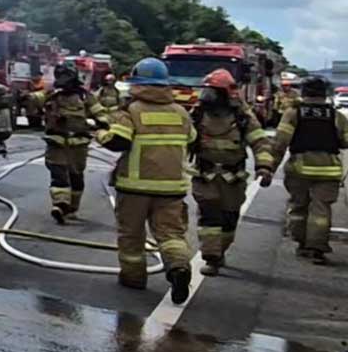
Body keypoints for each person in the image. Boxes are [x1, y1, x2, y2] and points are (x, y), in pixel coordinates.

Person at [96, 57, 195, 303]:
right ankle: (179, 267)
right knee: (171, 234)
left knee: (132, 235)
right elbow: (193, 139)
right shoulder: (181, 112)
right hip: (172, 188)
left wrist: (99, 133)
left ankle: (133, 278)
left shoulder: (131, 110)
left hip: (134, 187)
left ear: (136, 82)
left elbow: (117, 141)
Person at [190, 69, 274, 276]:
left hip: (232, 179)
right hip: (205, 176)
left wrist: (264, 166)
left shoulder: (243, 117)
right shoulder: (198, 113)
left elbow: (260, 142)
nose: (207, 96)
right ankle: (211, 257)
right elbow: (182, 139)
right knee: (209, 218)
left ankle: (220, 251)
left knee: (229, 220)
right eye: (206, 91)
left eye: (213, 92)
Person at [270, 75, 348, 265]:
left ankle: (302, 243)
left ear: (304, 92)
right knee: (321, 210)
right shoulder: (336, 116)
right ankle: (317, 247)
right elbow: (346, 141)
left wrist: (269, 167)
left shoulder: (293, 113)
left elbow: (280, 142)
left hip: (299, 169)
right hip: (329, 170)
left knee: (299, 207)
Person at [24, 61, 110, 223]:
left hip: (78, 144)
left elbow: (100, 113)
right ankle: (60, 204)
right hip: (56, 142)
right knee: (58, 175)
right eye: (60, 76)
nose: (63, 79)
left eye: (66, 76)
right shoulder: (51, 94)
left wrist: (102, 123)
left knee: (76, 176)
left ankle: (71, 208)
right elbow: (34, 99)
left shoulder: (85, 96)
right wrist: (24, 97)